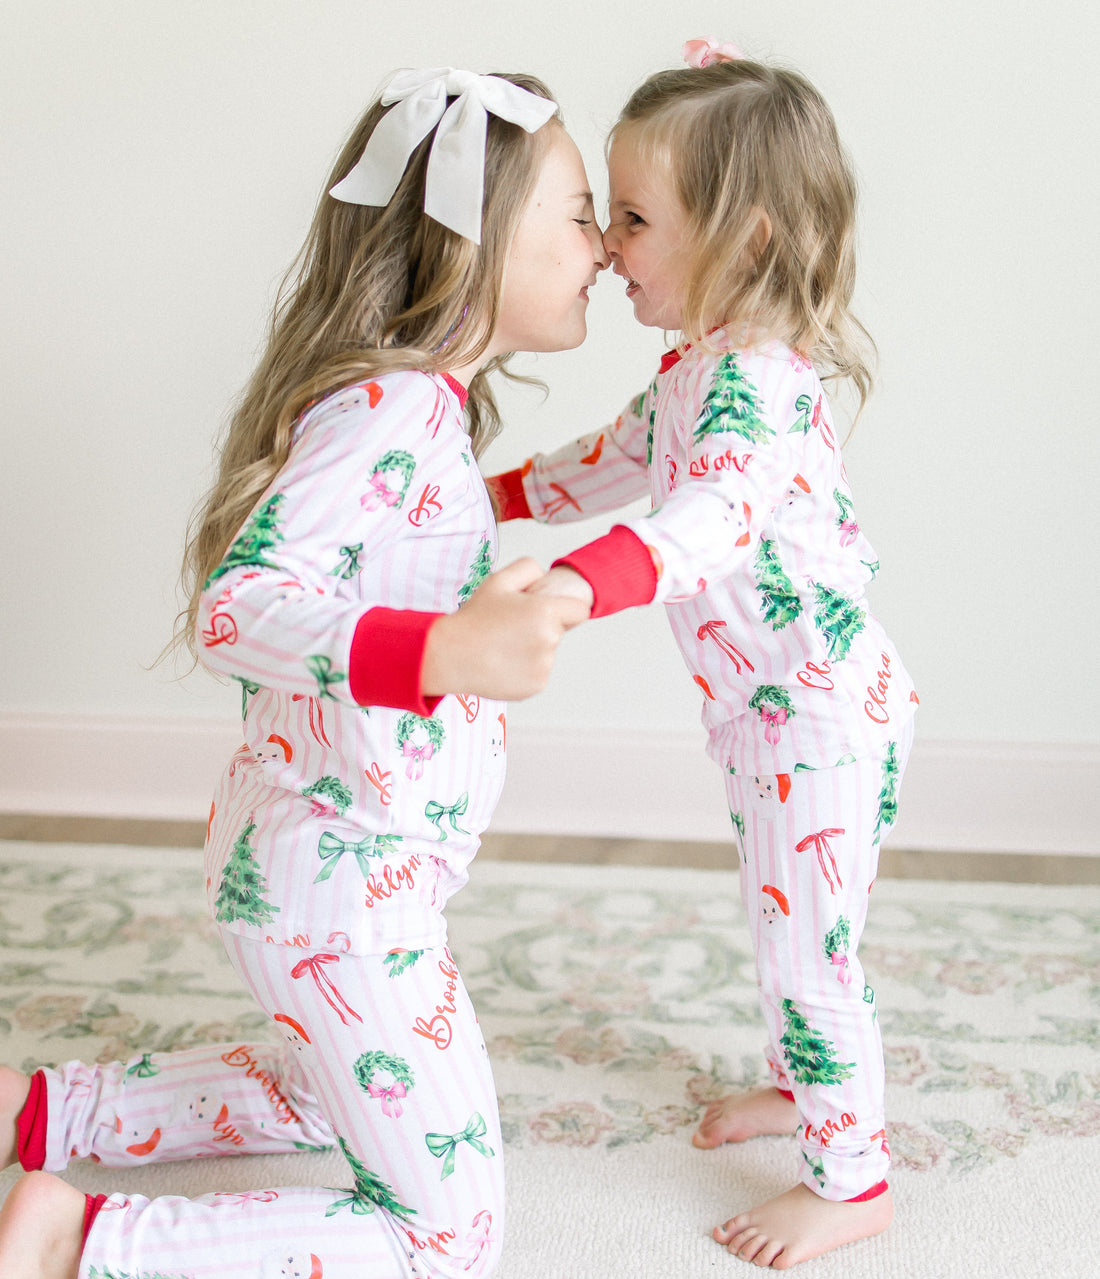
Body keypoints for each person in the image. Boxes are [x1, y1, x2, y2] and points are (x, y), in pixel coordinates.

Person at [0, 66, 607, 1279]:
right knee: (448, 1235)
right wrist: (443, 649)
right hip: (342, 887)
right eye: (583, 212)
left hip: (332, 865)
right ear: (480, 242)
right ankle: (83, 1234)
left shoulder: (418, 411)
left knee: (320, 1093)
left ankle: (43, 1115)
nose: (601, 246)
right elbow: (238, 607)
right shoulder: (387, 409)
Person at [489, 38, 918, 1270]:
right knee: (782, 916)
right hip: (767, 708)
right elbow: (608, 461)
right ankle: (801, 1090)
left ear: (750, 239)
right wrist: (485, 495)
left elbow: (709, 518)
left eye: (632, 219)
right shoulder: (692, 374)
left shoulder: (757, 390)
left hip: (820, 709)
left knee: (808, 949)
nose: (608, 246)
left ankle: (851, 1180)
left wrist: (583, 581)